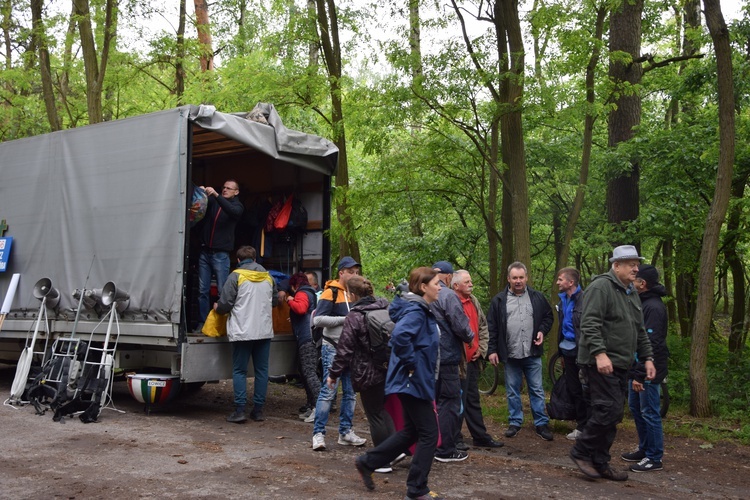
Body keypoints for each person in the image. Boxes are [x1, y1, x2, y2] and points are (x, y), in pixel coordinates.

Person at [354, 267, 443, 500]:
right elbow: (400, 337)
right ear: (423, 287)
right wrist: (412, 365)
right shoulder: (416, 311)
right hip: (411, 381)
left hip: (413, 380)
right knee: (429, 434)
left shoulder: (421, 309)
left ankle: (368, 462)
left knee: (412, 432)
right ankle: (416, 489)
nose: (440, 286)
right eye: (437, 283)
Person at [569, 245, 655, 482]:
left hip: (621, 363)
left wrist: (647, 358)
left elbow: (639, 330)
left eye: (637, 264)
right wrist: (599, 353)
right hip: (600, 362)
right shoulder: (601, 287)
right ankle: (581, 451)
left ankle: (600, 462)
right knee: (609, 410)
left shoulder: (630, 292)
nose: (636, 268)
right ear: (616, 266)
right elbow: (589, 323)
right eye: (630, 264)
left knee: (612, 414)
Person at [327, 275, 396, 471]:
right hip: (388, 367)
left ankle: (383, 461)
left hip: (367, 372)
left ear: (353, 294)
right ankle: (395, 450)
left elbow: (344, 349)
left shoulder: (355, 316)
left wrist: (333, 374)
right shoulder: (385, 307)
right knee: (383, 410)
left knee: (374, 414)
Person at [487, 261, 554, 441]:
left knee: (537, 389)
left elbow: (548, 317)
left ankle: (541, 423)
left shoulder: (537, 297)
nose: (518, 281)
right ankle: (515, 422)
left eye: (521, 277)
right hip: (510, 353)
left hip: (532, 352)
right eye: (514, 277)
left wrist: (541, 331)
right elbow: (491, 327)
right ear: (508, 279)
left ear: (526, 278)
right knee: (512, 390)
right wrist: (492, 350)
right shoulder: (499, 301)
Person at [214, 245, 277, 423]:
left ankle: (240, 410)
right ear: (255, 260)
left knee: (240, 370)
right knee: (262, 371)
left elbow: (225, 304)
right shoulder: (268, 277)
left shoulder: (236, 276)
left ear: (239, 260)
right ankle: (258, 411)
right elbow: (274, 302)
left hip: (242, 331)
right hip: (264, 331)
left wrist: (217, 308)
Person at [311, 256, 367, 450]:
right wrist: (346, 319)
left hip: (352, 349)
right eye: (350, 271)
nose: (354, 275)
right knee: (328, 392)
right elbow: (318, 320)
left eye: (356, 272)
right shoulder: (330, 292)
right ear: (341, 273)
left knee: (351, 393)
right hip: (332, 347)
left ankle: (346, 432)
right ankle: (318, 434)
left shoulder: (356, 294)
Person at [623, 264, 668, 472]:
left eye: (635, 279)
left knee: (650, 412)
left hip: (649, 371)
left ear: (643, 283)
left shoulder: (654, 307)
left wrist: (641, 375)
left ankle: (654, 457)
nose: (631, 281)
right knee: (635, 408)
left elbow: (653, 343)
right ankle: (644, 448)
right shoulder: (641, 302)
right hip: (637, 368)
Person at [451, 270, 503, 449]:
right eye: (467, 281)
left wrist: (481, 350)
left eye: (471, 280)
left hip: (474, 360)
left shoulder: (473, 301)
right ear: (456, 285)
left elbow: (483, 326)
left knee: (472, 399)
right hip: (458, 363)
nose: (471, 284)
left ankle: (480, 436)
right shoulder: (451, 303)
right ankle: (455, 438)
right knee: (458, 401)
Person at [430, 261, 475, 462]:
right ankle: (446, 449)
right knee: (448, 403)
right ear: (448, 277)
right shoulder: (447, 295)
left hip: (428, 359)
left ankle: (430, 444)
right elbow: (461, 325)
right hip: (447, 357)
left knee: (432, 403)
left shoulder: (421, 294)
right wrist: (470, 336)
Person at [198, 179, 244, 326]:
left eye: (229, 188)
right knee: (202, 291)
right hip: (205, 252)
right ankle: (203, 323)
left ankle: (221, 325)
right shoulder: (214, 201)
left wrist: (216, 195)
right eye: (223, 187)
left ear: (236, 192)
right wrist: (200, 192)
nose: (225, 190)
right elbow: (200, 205)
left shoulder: (237, 206)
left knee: (222, 292)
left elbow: (231, 211)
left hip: (221, 254)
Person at [555, 267, 588, 440]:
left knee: (587, 389)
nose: (558, 283)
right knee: (575, 389)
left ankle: (593, 427)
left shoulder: (585, 300)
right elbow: (563, 327)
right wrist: (560, 352)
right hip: (567, 350)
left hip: (583, 352)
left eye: (560, 280)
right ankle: (581, 426)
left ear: (571, 282)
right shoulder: (562, 301)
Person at [283, 272, 321, 422]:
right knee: (306, 373)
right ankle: (312, 406)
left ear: (294, 285)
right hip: (311, 338)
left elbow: (300, 309)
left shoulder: (302, 292)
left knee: (310, 374)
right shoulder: (311, 293)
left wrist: (290, 300)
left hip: (307, 339)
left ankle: (319, 408)